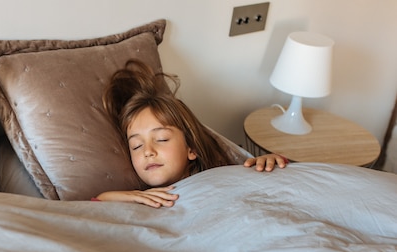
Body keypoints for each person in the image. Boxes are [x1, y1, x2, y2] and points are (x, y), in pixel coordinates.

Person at [95, 60, 288, 208]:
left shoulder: (222, 176)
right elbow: (93, 208)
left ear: (191, 148)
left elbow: (287, 184)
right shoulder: (146, 201)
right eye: (137, 146)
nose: (148, 151)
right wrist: (128, 195)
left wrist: (270, 162)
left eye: (161, 139)